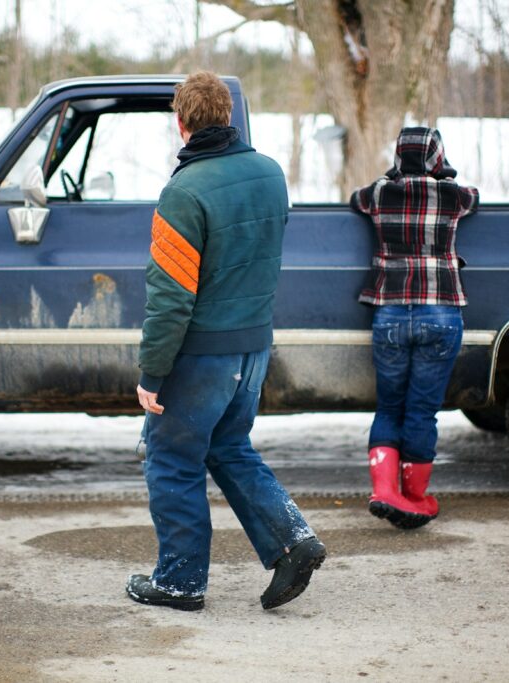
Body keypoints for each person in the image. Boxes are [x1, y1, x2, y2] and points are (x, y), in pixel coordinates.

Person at [128, 71, 326, 612]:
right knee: (227, 446)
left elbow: (170, 298)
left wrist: (151, 373)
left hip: (202, 354)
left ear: (181, 121)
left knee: (171, 458)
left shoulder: (184, 191)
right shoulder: (270, 174)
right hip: (253, 348)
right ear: (229, 117)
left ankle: (180, 581)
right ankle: (294, 540)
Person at [350, 127, 479, 530]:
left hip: (389, 313)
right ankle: (415, 496)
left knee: (389, 406)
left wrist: (391, 177)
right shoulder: (454, 196)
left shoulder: (378, 195)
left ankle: (384, 492)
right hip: (440, 313)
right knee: (422, 410)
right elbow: (474, 196)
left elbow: (356, 198)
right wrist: (443, 175)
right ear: (436, 158)